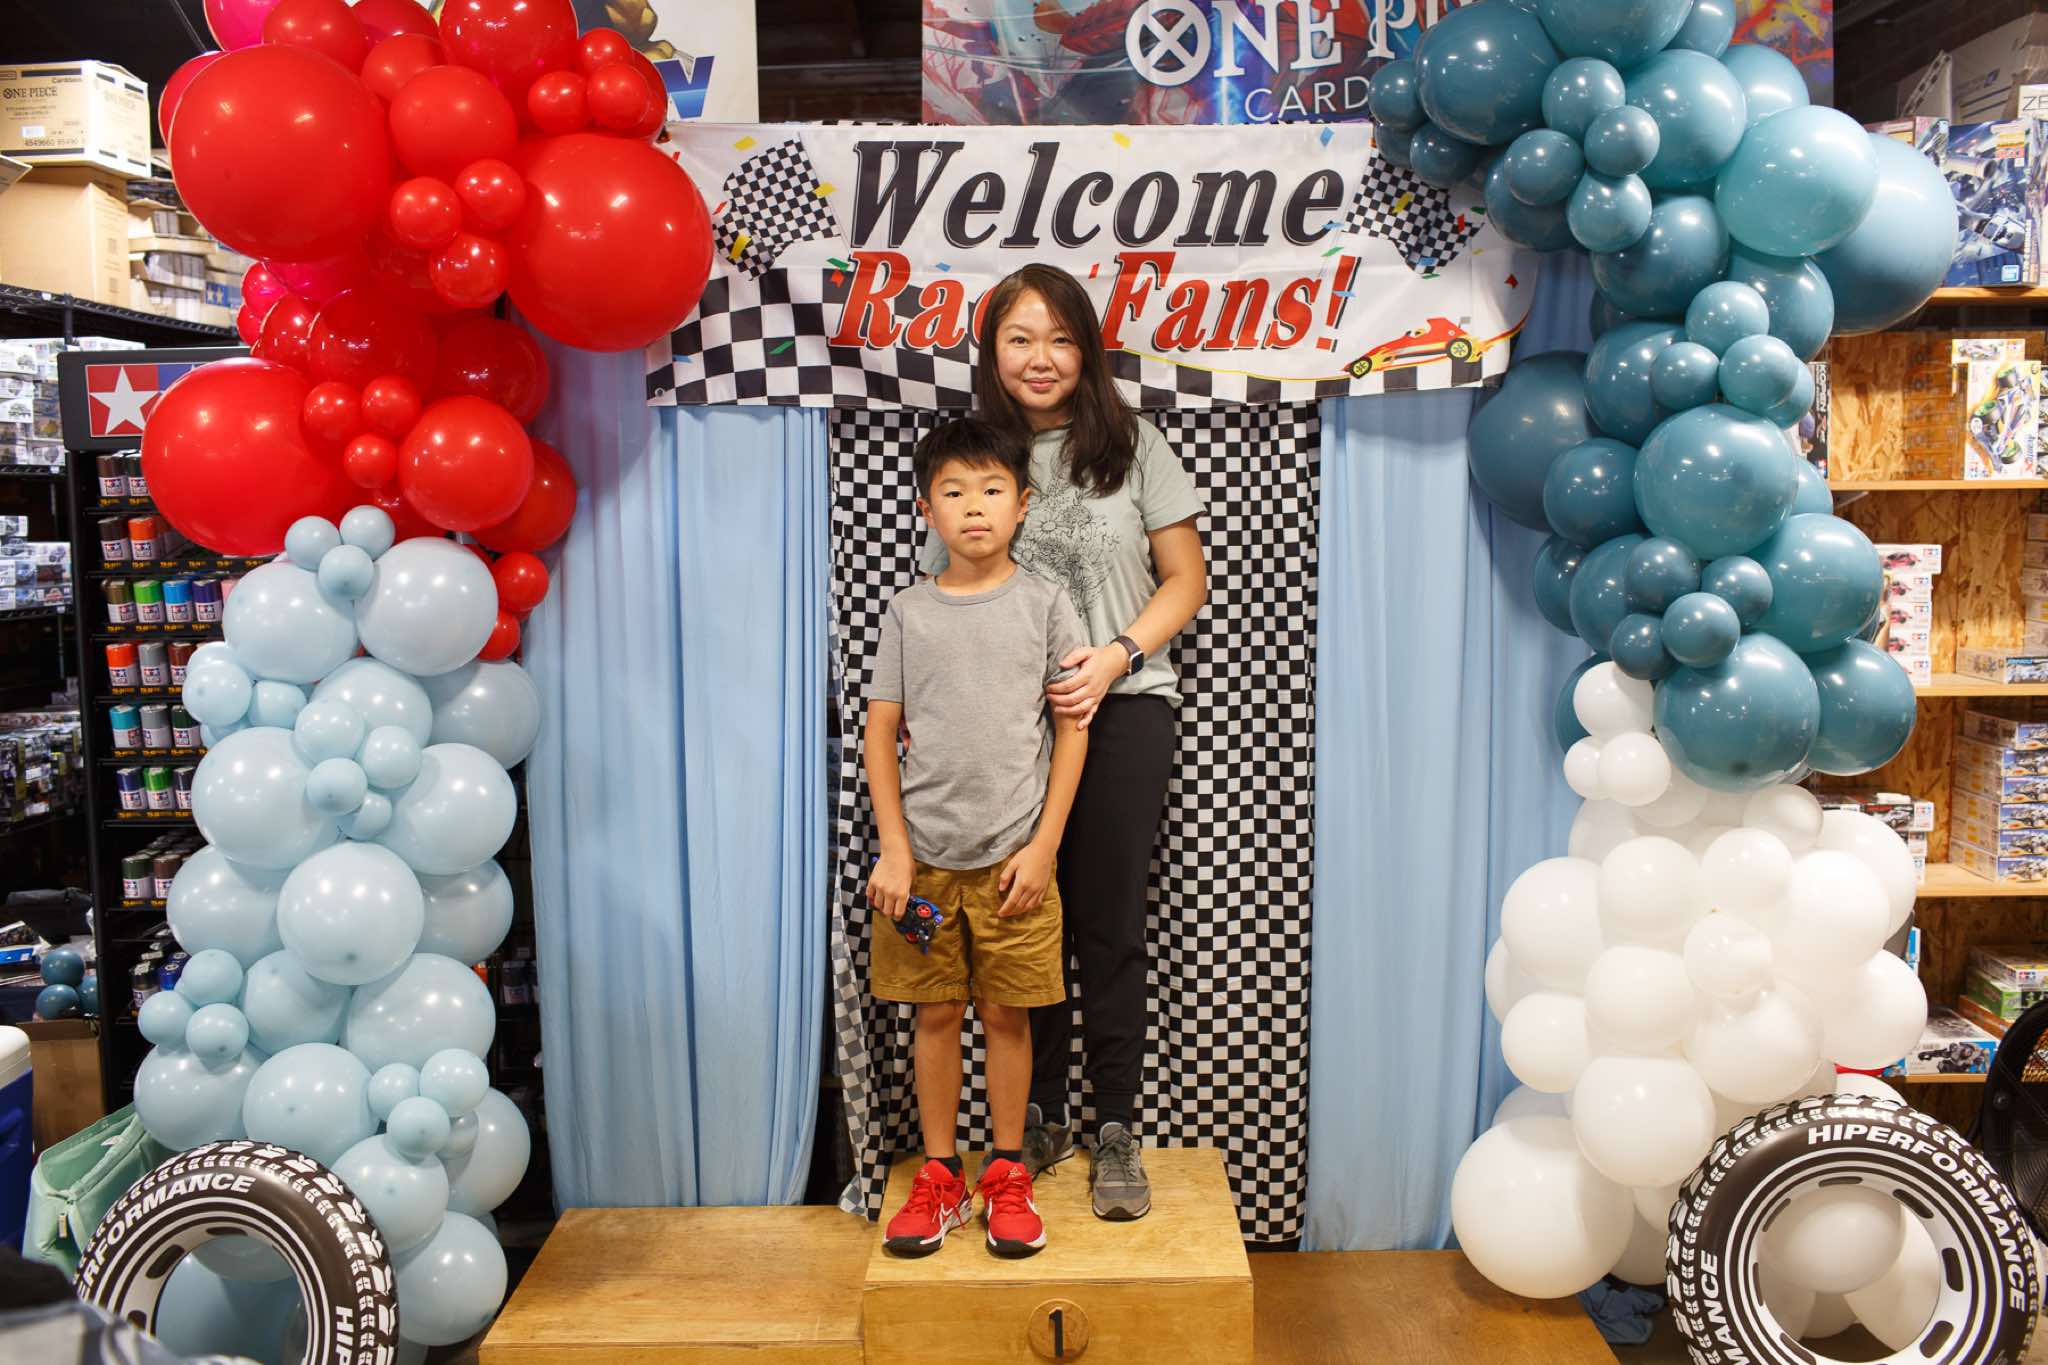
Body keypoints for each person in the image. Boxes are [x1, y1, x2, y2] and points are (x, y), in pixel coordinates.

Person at [926, 263, 1207, 1221]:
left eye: (1059, 338)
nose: (1039, 357)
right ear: (993, 353)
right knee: (1022, 915)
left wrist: (1118, 655)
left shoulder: (1133, 446)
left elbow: (1185, 579)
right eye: (1019, 338)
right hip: (1009, 730)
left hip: (1124, 709)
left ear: (1085, 349)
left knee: (1109, 922)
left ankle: (1116, 1125)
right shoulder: (978, 455)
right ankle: (1036, 1117)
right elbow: (952, 596)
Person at [868, 416, 1090, 1258]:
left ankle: (1005, 1171)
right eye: (954, 491)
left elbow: (1072, 728)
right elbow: (879, 731)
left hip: (1014, 864)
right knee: (934, 1013)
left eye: (992, 489)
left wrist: (1044, 845)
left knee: (1005, 1013)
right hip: (924, 866)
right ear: (926, 509)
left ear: (1022, 504)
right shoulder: (908, 611)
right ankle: (939, 1176)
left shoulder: (1046, 603)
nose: (974, 507)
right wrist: (895, 848)